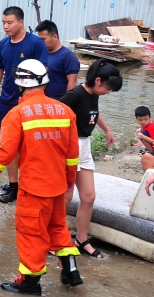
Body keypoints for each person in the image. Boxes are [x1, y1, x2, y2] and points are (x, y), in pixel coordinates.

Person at [0, 59, 82, 295]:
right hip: (58, 184)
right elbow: (72, 156)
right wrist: (69, 183)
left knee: (31, 232)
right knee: (57, 226)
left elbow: (6, 153)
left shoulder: (17, 114)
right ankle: (71, 269)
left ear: (19, 85)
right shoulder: (66, 111)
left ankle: (29, 282)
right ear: (44, 82)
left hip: (34, 187)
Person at [0, 7, 49, 203]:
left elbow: (43, 71)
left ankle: (31, 182)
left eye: (10, 22)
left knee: (30, 143)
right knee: (7, 143)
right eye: (4, 22)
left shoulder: (35, 44)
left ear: (21, 22)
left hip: (28, 102)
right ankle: (14, 185)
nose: (6, 26)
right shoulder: (3, 44)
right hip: (7, 100)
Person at [61, 59, 122, 259]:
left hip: (84, 146)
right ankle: (56, 239)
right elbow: (56, 117)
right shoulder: (74, 95)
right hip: (69, 147)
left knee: (89, 197)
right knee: (66, 196)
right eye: (108, 88)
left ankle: (81, 239)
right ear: (97, 80)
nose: (107, 92)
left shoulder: (93, 94)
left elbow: (94, 113)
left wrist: (107, 129)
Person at [35, 20, 80, 100]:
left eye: (43, 39)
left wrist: (66, 104)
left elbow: (72, 83)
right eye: (39, 40)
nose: (41, 43)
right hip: (42, 102)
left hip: (58, 103)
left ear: (55, 37)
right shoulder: (42, 54)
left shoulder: (68, 56)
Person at [134, 106, 154, 173]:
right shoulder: (146, 126)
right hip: (151, 147)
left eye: (146, 119)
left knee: (145, 158)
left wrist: (143, 136)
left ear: (150, 117)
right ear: (136, 119)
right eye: (140, 120)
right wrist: (141, 130)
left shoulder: (151, 127)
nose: (143, 122)